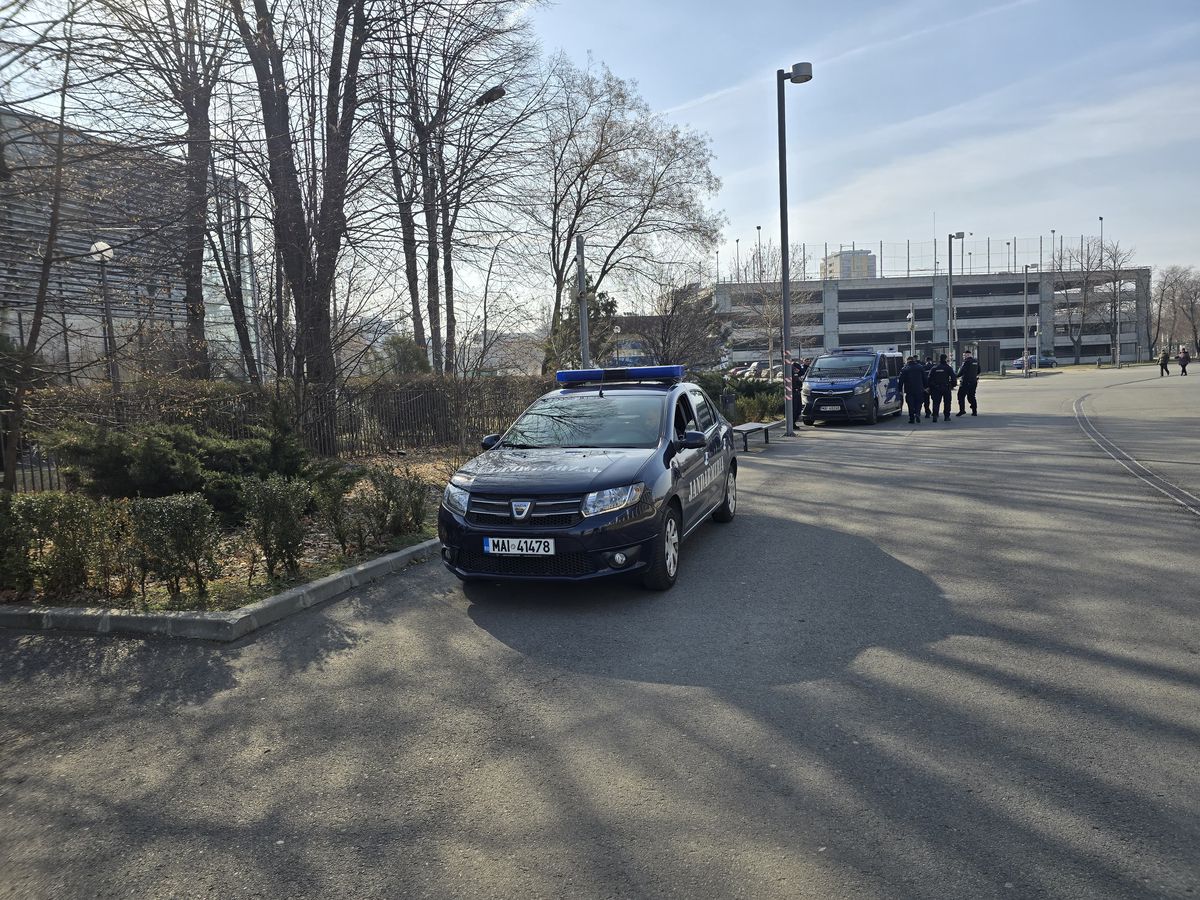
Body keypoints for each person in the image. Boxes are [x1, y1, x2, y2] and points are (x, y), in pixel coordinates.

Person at [927, 354, 957, 422]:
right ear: (946, 359)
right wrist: (952, 385)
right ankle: (946, 416)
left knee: (936, 402)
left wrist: (932, 386)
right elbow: (953, 377)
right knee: (947, 402)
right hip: (946, 387)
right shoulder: (948, 368)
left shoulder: (934, 368)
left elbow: (929, 379)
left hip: (936, 388)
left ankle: (935, 415)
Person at [899, 355, 928, 424]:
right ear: (913, 360)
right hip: (919, 389)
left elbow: (901, 381)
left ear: (907, 360)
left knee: (910, 404)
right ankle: (917, 413)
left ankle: (911, 418)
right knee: (919, 402)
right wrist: (926, 387)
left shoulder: (905, 369)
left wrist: (900, 390)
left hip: (909, 390)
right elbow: (925, 378)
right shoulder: (920, 367)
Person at [955, 350, 982, 417]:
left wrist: (955, 376)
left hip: (965, 382)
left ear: (967, 355)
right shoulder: (976, 361)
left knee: (960, 396)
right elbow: (979, 371)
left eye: (964, 355)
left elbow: (961, 371)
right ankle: (974, 411)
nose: (963, 357)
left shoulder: (966, 362)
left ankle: (962, 410)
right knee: (972, 396)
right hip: (973, 381)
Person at [791, 357, 809, 425]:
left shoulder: (795, 366)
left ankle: (793, 423)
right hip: (793, 392)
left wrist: (796, 366)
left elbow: (801, 372)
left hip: (798, 391)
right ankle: (792, 424)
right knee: (795, 409)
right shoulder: (789, 370)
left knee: (798, 410)